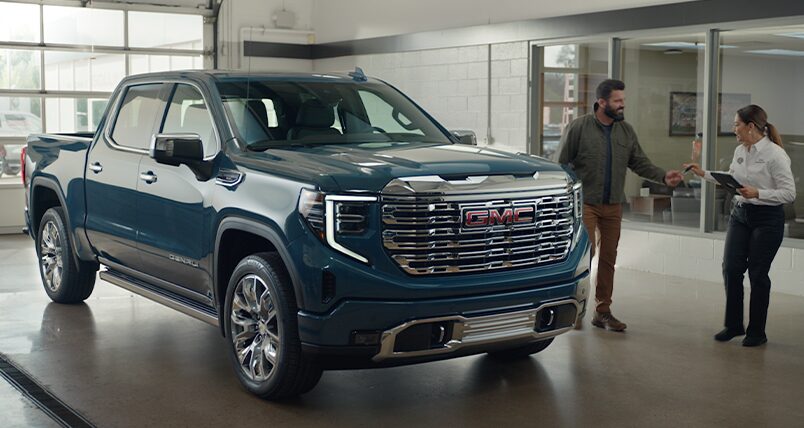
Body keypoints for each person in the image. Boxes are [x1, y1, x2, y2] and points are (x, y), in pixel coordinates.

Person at [557, 79, 683, 332]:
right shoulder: (578, 127)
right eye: (617, 101)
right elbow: (561, 165)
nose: (622, 105)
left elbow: (639, 162)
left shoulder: (625, 131)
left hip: (613, 205)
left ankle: (602, 312)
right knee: (585, 257)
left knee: (608, 259)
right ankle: (574, 309)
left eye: (623, 100)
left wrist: (662, 176)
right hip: (586, 205)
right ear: (602, 102)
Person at [684, 104, 795, 347]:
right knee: (731, 268)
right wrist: (703, 173)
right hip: (741, 214)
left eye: (736, 124)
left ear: (751, 126)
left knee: (757, 273)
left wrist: (759, 193)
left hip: (767, 219)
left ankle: (757, 331)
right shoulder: (740, 150)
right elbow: (732, 178)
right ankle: (733, 325)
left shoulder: (775, 155)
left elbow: (789, 194)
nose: (733, 128)